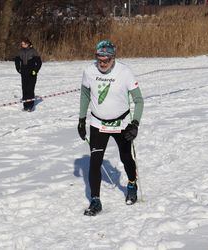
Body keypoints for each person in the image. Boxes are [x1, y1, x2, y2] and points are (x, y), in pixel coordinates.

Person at [77, 40, 144, 216]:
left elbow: (139, 100)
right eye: (100, 59)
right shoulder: (89, 71)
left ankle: (131, 184)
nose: (103, 63)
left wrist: (134, 123)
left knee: (125, 157)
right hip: (98, 124)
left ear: (113, 58)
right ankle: (95, 200)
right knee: (95, 162)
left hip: (121, 124)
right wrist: (81, 119)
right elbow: (84, 95)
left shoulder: (125, 72)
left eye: (107, 60)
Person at [15, 37, 42, 112]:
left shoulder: (33, 51)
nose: (22, 45)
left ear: (27, 44)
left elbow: (39, 63)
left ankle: (30, 105)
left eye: (23, 44)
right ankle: (25, 106)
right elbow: (16, 60)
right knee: (24, 89)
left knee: (30, 89)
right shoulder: (20, 51)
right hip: (24, 73)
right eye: (22, 44)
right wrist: (18, 68)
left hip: (32, 73)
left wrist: (35, 70)